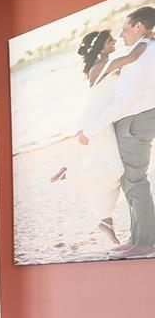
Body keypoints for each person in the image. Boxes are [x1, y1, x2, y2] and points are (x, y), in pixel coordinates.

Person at [78, 6, 155, 258]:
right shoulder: (145, 48)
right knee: (131, 180)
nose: (121, 34)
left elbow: (121, 103)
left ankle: (144, 242)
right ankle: (137, 238)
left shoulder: (142, 56)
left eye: (125, 28)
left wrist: (90, 130)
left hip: (134, 122)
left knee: (135, 182)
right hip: (137, 120)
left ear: (139, 26)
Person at [63, 29, 134, 245]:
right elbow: (132, 57)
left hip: (102, 123)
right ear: (100, 46)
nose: (114, 41)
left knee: (109, 178)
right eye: (110, 39)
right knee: (115, 170)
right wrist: (149, 37)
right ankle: (69, 173)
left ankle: (105, 222)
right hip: (95, 125)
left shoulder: (107, 66)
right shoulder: (100, 67)